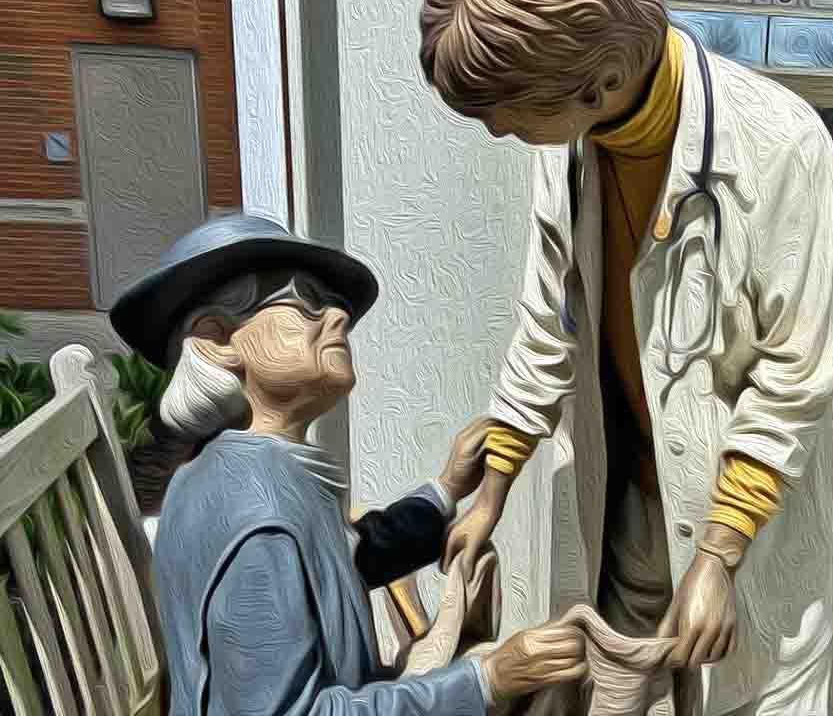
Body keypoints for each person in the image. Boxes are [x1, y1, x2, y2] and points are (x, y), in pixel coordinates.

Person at [418, 0, 833, 714]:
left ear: (605, 77)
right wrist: (492, 495)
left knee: (750, 695)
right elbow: (548, 327)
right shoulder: (569, 146)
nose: (499, 130)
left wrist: (720, 554)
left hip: (747, 528)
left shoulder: (784, 144)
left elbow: (796, 373)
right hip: (629, 511)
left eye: (507, 112)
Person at [109, 214, 588, 716]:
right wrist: (485, 681)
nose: (338, 317)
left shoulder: (246, 471)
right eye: (305, 302)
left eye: (331, 303)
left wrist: (446, 489)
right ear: (217, 340)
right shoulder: (255, 514)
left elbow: (342, 562)